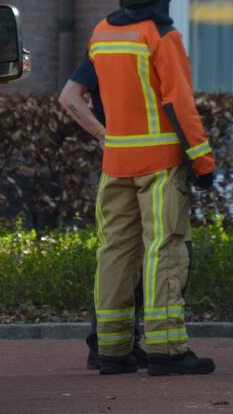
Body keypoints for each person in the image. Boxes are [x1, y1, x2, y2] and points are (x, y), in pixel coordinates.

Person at [86, 0, 216, 376]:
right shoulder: (162, 36)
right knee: (163, 249)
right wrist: (203, 163)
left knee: (115, 252)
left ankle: (112, 349)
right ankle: (167, 349)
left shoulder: (101, 34)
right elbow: (180, 104)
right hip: (160, 164)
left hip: (115, 163)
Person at [57, 62, 147, 371]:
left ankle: (112, 342)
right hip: (149, 162)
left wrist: (102, 134)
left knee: (117, 251)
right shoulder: (150, 41)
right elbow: (68, 96)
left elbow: (70, 96)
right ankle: (116, 341)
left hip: (117, 161)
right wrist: (101, 133)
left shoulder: (104, 45)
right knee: (144, 252)